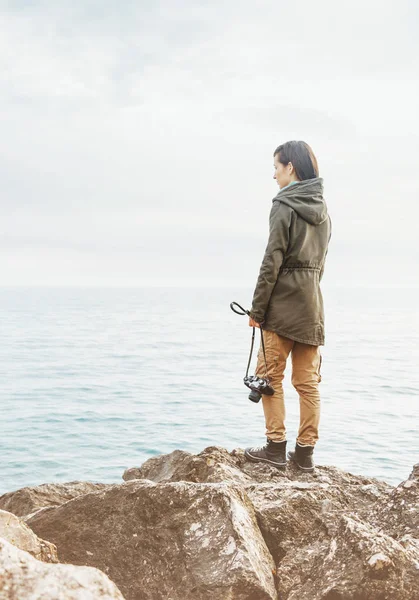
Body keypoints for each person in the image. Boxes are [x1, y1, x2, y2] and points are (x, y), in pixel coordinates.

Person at [244, 140, 331, 472]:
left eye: (276, 167)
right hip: (312, 306)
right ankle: (305, 455)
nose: (275, 175)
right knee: (307, 383)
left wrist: (257, 309)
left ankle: (275, 449)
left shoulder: (283, 205)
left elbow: (272, 260)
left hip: (281, 306)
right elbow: (320, 265)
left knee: (269, 377)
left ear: (290, 168)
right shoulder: (323, 211)